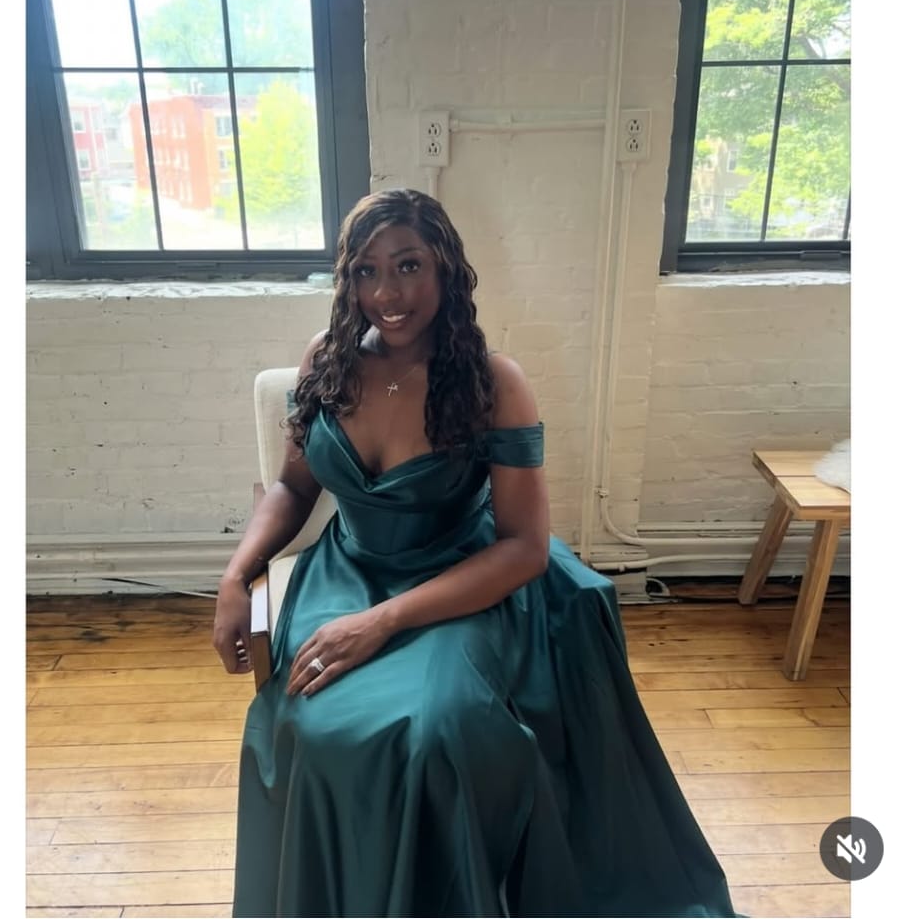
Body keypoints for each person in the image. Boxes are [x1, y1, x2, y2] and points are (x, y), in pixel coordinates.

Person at [214, 188, 738, 918]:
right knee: (314, 724)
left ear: (445, 269)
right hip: (346, 571)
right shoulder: (325, 361)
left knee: (432, 731)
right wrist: (236, 574)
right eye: (367, 271)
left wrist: (382, 622)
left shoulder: (494, 382)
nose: (387, 293)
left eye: (408, 266)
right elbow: (293, 486)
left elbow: (523, 548)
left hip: (460, 578)